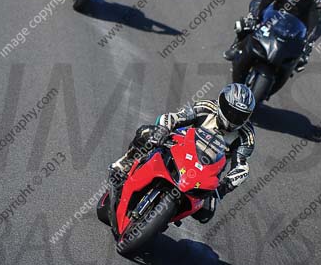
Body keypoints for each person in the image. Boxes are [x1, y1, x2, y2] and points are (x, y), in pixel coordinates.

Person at [110, 83, 256, 224]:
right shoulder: (206, 107)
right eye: (231, 111)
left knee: (205, 214)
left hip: (208, 171)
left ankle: (166, 216)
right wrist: (163, 130)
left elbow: (242, 167)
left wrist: (223, 188)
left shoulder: (246, 135)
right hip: (180, 148)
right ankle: (125, 163)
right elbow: (173, 117)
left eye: (240, 116)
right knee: (146, 133)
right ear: (221, 103)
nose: (234, 118)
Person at [223, 0, 321, 70]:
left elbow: (318, 23)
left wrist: (309, 40)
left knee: (302, 58)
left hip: (295, 31)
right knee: (246, 24)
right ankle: (237, 47)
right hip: (273, 19)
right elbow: (260, 0)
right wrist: (254, 16)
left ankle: (287, 68)